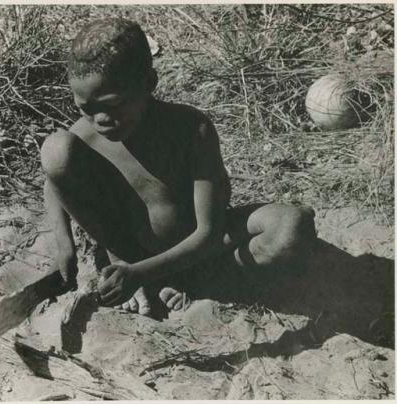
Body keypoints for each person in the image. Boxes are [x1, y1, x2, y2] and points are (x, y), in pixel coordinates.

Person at [41, 18, 316, 317]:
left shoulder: (189, 130)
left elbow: (209, 233)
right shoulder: (85, 136)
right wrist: (64, 245)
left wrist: (139, 274)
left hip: (198, 250)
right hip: (130, 252)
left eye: (113, 104)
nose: (101, 119)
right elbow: (54, 182)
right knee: (55, 149)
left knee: (290, 227)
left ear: (149, 83)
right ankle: (137, 272)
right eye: (86, 108)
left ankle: (193, 283)